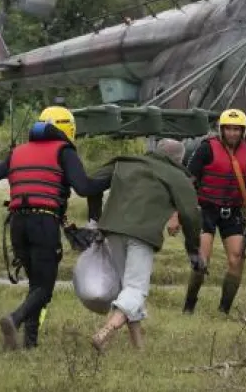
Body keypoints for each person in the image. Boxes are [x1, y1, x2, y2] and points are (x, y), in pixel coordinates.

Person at [0, 105, 109, 350]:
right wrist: (114, 177)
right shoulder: (64, 151)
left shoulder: (18, 152)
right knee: (44, 288)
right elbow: (85, 188)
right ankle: (14, 319)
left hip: (17, 223)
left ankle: (30, 343)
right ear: (68, 130)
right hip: (43, 223)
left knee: (36, 285)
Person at [85, 138, 205, 352]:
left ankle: (139, 348)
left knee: (126, 287)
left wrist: (95, 218)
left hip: (112, 230)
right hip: (142, 234)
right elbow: (190, 215)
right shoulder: (178, 177)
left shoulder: (125, 162)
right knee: (136, 289)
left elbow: (91, 184)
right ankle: (106, 332)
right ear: (180, 159)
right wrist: (193, 250)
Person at [183, 108, 246, 315]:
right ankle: (189, 306)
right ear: (221, 130)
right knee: (201, 262)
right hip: (206, 210)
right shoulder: (206, 149)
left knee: (236, 259)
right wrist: (179, 211)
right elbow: (188, 181)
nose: (232, 133)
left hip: (233, 213)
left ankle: (224, 310)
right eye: (228, 129)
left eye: (236, 129)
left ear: (243, 131)